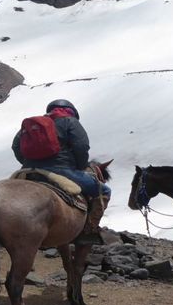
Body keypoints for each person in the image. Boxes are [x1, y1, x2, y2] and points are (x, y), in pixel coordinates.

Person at [12, 99, 111, 242]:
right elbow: (81, 146)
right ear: (71, 111)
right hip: (61, 170)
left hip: (28, 170)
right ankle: (89, 231)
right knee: (105, 191)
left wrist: (28, 163)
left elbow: (16, 146)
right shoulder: (70, 121)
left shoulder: (33, 124)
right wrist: (80, 166)